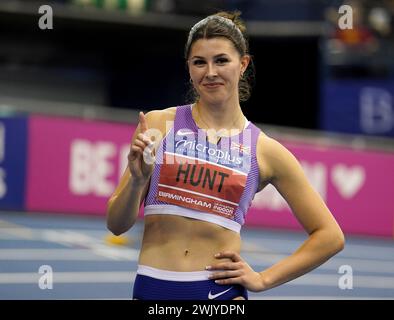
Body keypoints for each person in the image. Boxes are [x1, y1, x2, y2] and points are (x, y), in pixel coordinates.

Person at [106, 11, 345, 300]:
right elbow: (116, 225)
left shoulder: (265, 150)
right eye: (199, 62)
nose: (210, 72)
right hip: (153, 287)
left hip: (220, 295)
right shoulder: (158, 125)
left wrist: (263, 279)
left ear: (243, 64)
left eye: (221, 60)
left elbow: (330, 236)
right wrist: (135, 181)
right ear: (189, 68)